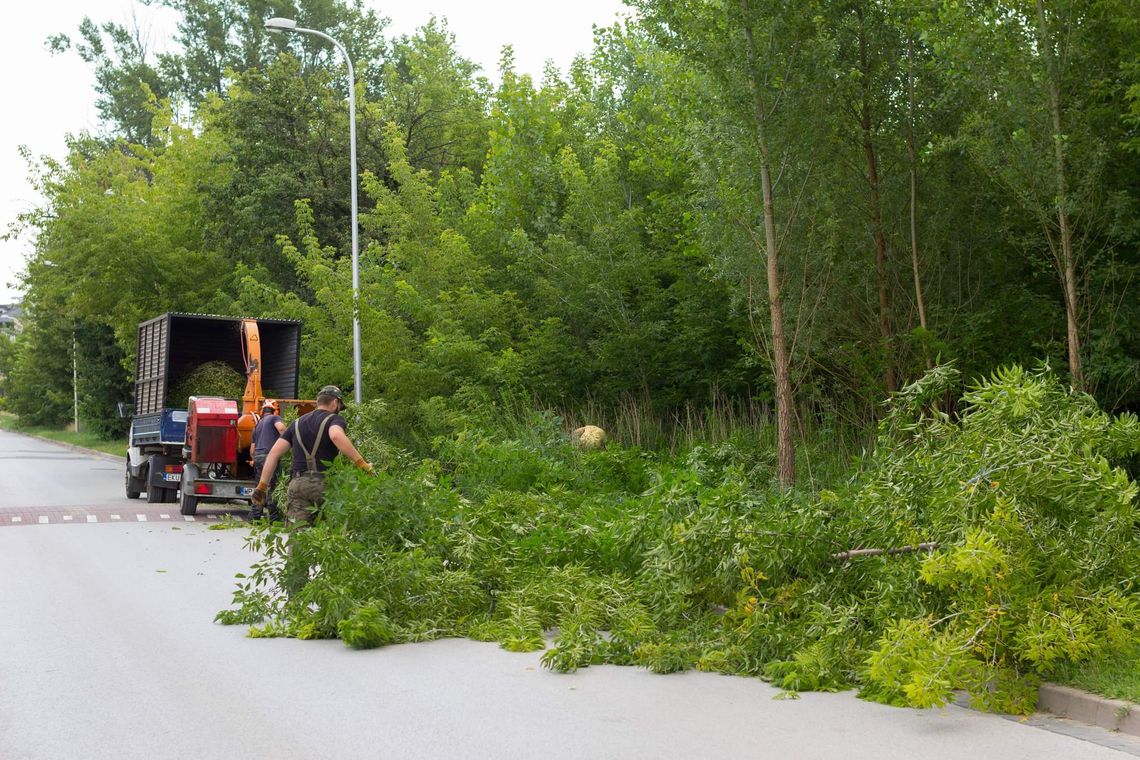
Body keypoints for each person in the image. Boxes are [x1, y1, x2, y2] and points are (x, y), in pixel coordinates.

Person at [251, 385, 372, 526]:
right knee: (324, 537)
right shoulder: (334, 419)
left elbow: (273, 454)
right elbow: (336, 436)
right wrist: (362, 463)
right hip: (324, 485)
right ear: (335, 403)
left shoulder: (296, 424)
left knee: (297, 534)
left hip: (298, 484)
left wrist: (262, 486)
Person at [248, 399, 286, 521]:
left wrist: (254, 459)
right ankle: (274, 518)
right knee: (271, 486)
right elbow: (281, 429)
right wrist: (287, 442)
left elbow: (252, 449)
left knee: (260, 486)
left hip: (258, 456)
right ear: (275, 411)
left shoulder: (257, 425)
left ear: (262, 411)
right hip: (269, 456)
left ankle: (255, 516)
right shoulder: (275, 419)